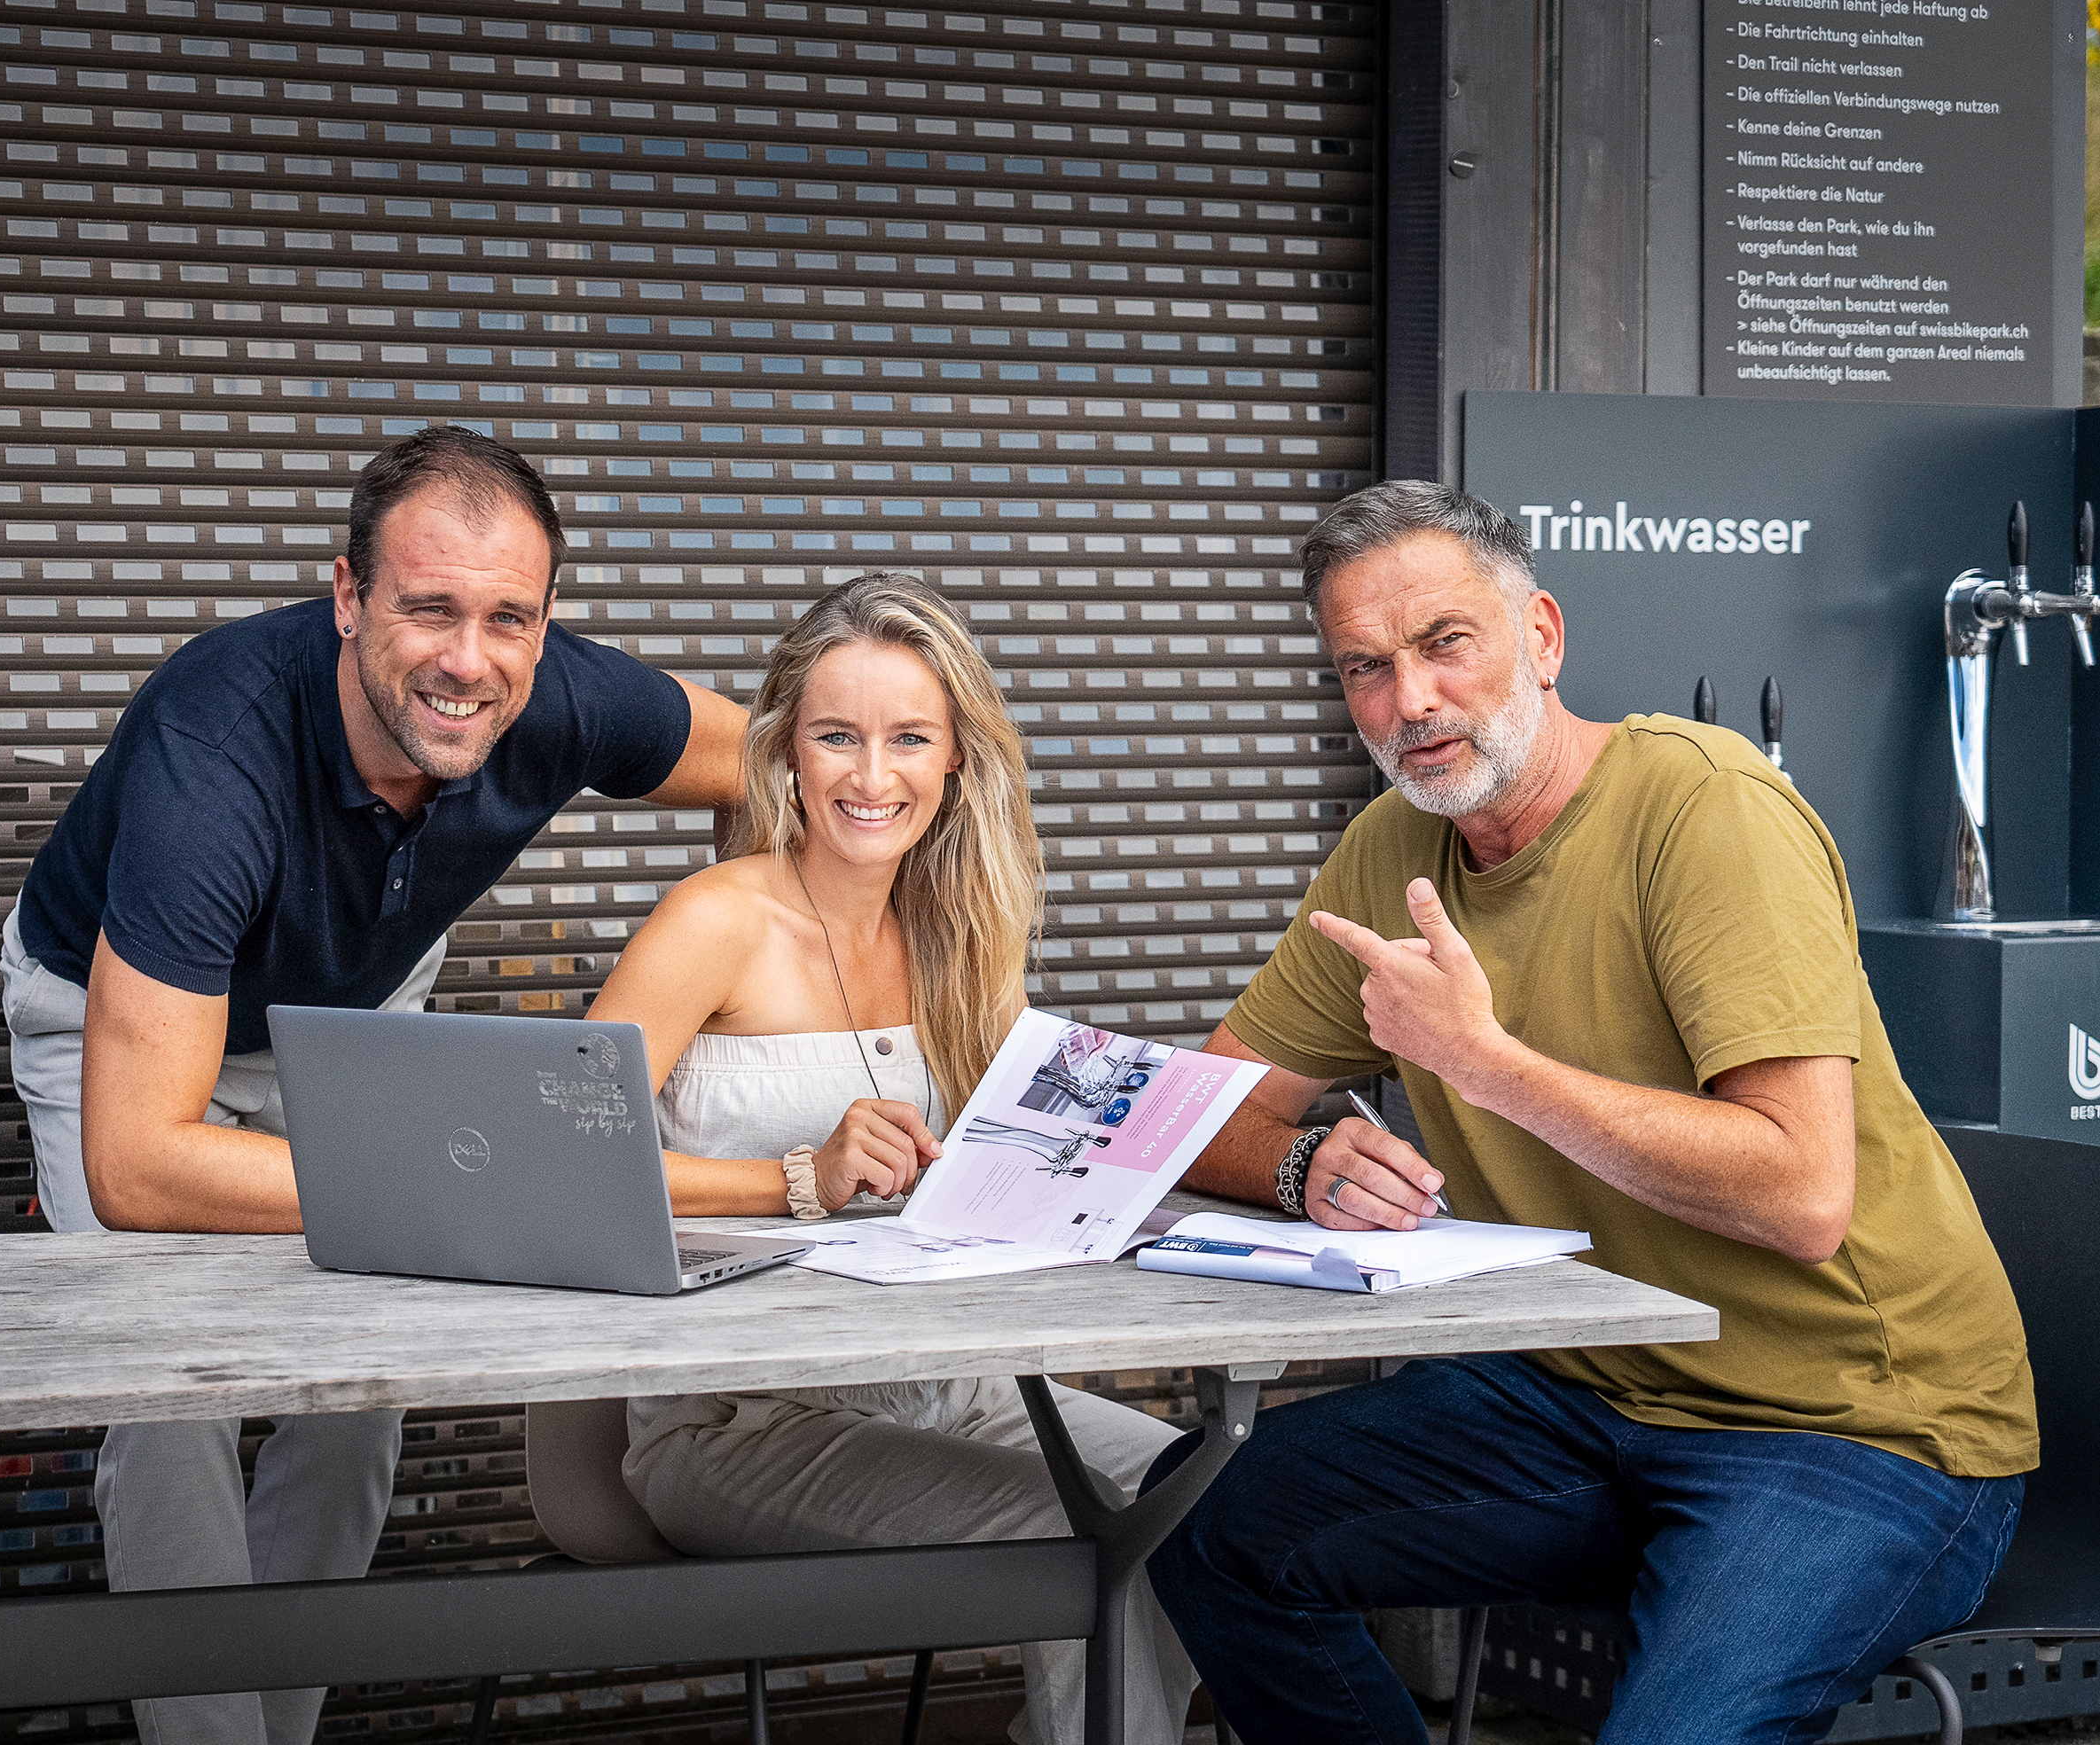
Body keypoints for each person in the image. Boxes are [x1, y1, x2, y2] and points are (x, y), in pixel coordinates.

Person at [1142, 481, 2036, 1744]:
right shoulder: (1390, 847)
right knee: (1204, 1522)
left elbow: (1799, 1195)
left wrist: (1487, 1064)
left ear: (1542, 637)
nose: (1409, 703)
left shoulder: (1703, 808)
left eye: (1444, 644)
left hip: (1852, 1425)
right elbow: (1190, 1115)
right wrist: (1298, 1167)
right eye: (1364, 669)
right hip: (1580, 1400)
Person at [0, 426, 746, 1745]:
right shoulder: (211, 758)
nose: (470, 659)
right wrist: (442, 1191)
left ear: (547, 619)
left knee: (360, 1396)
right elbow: (141, 1164)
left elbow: (775, 765)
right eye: (427, 608)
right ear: (347, 598)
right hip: (113, 1028)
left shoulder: (557, 693)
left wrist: (755, 993)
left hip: (351, 1013)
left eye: (508, 616)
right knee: (175, 1395)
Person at [586, 572, 1203, 1745]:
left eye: (908, 738)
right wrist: (796, 1179)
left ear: (958, 758)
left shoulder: (963, 934)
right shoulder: (714, 921)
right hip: (737, 1426)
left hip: (954, 1389)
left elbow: (987, 1180)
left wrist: (1084, 1174)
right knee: (1078, 1530)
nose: (872, 778)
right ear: (784, 754)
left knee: (1196, 1494)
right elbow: (561, 1161)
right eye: (837, 737)